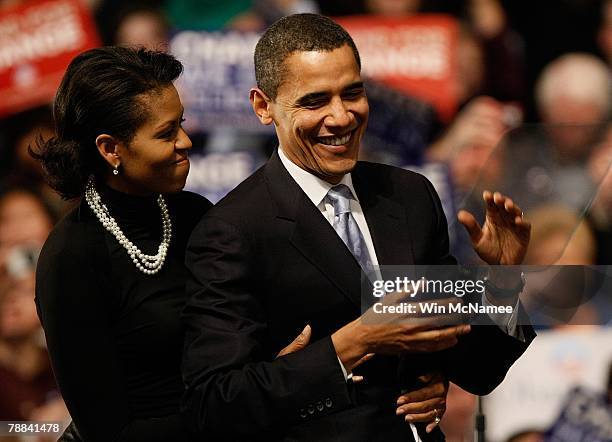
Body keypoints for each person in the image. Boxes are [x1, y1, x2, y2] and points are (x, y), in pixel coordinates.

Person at [182, 13, 535, 442]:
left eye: (353, 93)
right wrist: (352, 343)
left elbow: (477, 369)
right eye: (314, 102)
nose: (342, 116)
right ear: (263, 106)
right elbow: (217, 403)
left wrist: (501, 281)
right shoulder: (232, 231)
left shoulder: (409, 196)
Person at [31, 47, 213, 442]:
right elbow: (108, 430)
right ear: (110, 148)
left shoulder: (195, 214)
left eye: (181, 124)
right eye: (166, 133)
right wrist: (236, 413)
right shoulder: (72, 256)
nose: (185, 142)